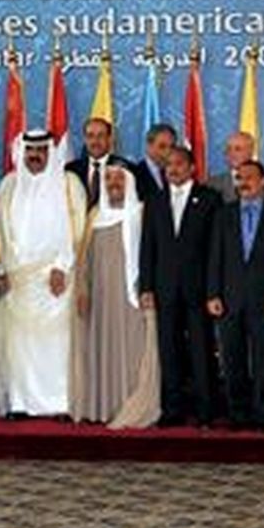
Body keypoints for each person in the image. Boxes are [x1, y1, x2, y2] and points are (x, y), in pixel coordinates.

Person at [0, 130, 87, 416]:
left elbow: (79, 229)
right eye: (30, 150)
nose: (35, 156)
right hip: (18, 279)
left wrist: (62, 266)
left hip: (57, 277)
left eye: (41, 150)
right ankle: (20, 403)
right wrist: (2, 269)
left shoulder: (68, 184)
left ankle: (59, 402)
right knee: (19, 343)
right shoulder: (9, 185)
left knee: (57, 344)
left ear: (51, 152)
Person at [206, 160, 264, 431]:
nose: (243, 183)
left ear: (263, 181)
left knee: (263, 360)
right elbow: (214, 258)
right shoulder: (224, 214)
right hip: (229, 299)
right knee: (232, 360)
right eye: (239, 178)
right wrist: (213, 294)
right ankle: (238, 414)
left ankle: (262, 414)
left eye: (249, 178)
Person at [72, 161, 160, 428]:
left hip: (133, 299)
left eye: (119, 179)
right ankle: (103, 407)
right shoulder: (94, 216)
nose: (113, 184)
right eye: (108, 179)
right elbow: (83, 259)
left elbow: (154, 256)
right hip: (100, 301)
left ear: (130, 182)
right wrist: (83, 289)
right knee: (103, 350)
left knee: (134, 351)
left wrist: (149, 288)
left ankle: (132, 406)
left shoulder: (142, 214)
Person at [139, 145, 222, 428]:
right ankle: (172, 409)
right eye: (168, 165)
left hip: (198, 289)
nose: (172, 169)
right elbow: (147, 247)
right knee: (169, 350)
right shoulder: (155, 201)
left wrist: (213, 290)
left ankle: (205, 411)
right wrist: (147, 286)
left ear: (192, 168)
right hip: (164, 288)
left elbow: (216, 249)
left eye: (178, 164)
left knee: (201, 350)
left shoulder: (210, 199)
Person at [65, 118, 123, 208]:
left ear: (109, 138)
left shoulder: (125, 169)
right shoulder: (70, 170)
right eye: (90, 136)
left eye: (100, 135)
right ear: (85, 139)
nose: (95, 141)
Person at [207, 132, 258, 203]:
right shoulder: (213, 183)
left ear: (250, 152)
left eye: (238, 149)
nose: (232, 154)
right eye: (228, 149)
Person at [134, 123, 176, 201]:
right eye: (162, 147)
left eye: (172, 147)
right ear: (149, 146)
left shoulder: (178, 174)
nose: (168, 152)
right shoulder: (134, 175)